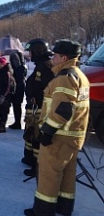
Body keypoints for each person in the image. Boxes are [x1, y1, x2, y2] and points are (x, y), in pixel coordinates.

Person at [24, 39, 89, 216]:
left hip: (59, 137)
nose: (52, 58)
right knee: (67, 176)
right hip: (73, 136)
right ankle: (63, 207)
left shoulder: (64, 78)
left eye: (56, 55)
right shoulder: (79, 75)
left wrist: (47, 131)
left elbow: (63, 110)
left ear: (64, 57)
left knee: (49, 175)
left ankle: (43, 211)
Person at [21, 39, 55, 177]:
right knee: (30, 134)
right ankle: (29, 159)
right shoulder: (40, 66)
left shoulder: (45, 67)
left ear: (37, 51)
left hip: (40, 109)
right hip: (34, 108)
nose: (29, 54)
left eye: (31, 52)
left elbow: (46, 89)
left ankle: (37, 167)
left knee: (36, 137)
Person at [8, 51, 28, 129]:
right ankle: (17, 122)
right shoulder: (19, 67)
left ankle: (17, 122)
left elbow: (19, 78)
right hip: (17, 86)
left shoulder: (21, 67)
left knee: (17, 105)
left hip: (19, 87)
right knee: (16, 105)